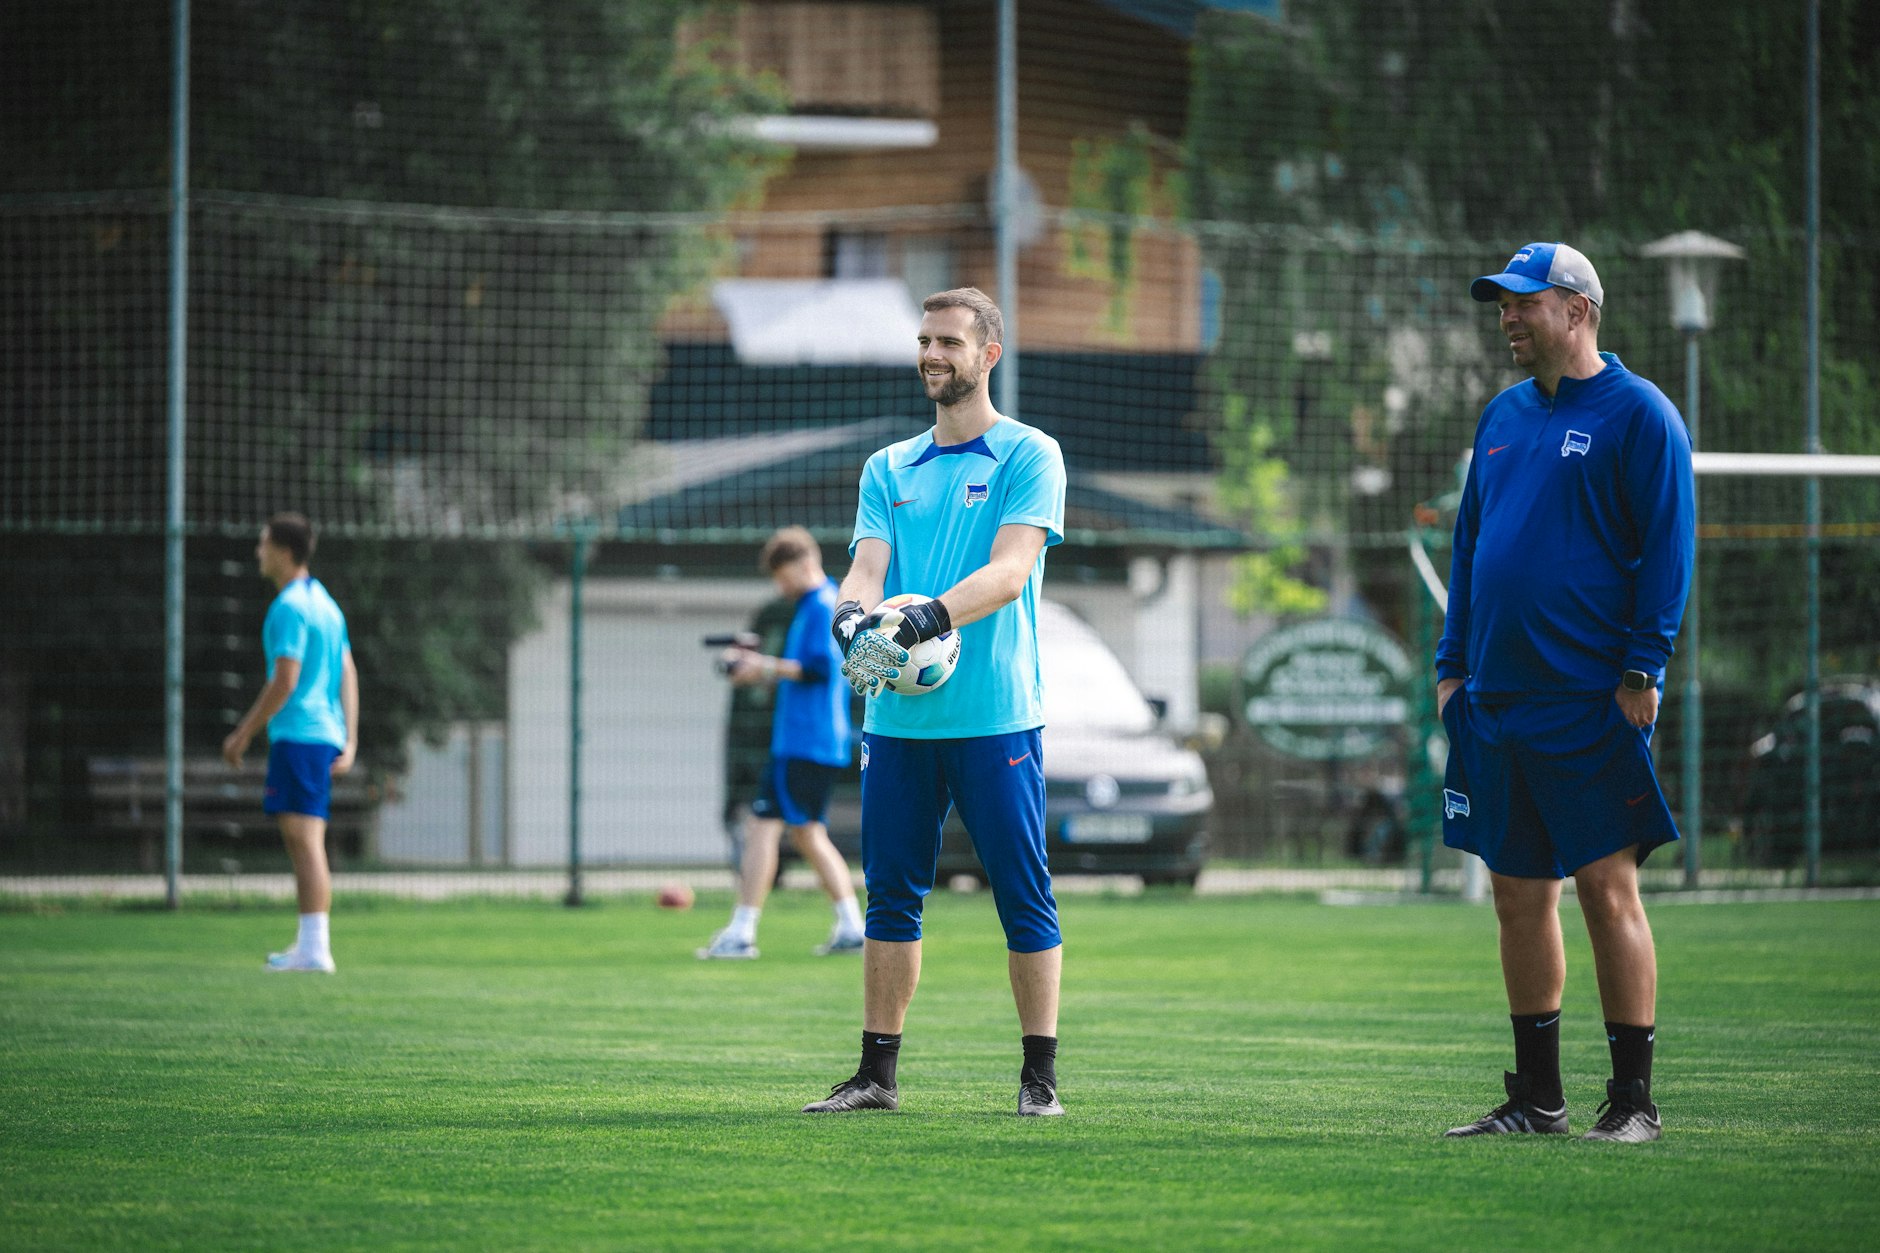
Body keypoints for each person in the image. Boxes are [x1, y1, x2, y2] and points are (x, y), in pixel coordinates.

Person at [1437, 243, 1694, 1143]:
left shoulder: (1640, 415)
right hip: (1496, 698)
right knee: (1516, 895)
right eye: (1500, 305)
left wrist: (1642, 671)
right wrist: (1450, 667)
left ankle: (1633, 1103)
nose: (1505, 316)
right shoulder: (1501, 416)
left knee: (1604, 888)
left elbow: (1667, 551)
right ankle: (1536, 1100)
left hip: (1591, 698)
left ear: (1577, 310)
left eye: (1521, 303)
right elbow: (1471, 549)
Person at [801, 286, 1067, 1118]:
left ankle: (1039, 1080)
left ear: (988, 355)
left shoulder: (1030, 454)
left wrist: (931, 615)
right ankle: (876, 1075)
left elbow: (1011, 569)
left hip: (997, 717)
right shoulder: (887, 467)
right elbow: (865, 572)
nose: (931, 355)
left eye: (948, 341)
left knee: (1023, 894)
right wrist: (850, 616)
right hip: (899, 721)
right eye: (923, 340)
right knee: (890, 895)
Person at [698, 527, 866, 960]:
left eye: (783, 574)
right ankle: (850, 926)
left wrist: (762, 667)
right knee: (806, 834)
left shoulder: (823, 606)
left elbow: (818, 669)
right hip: (804, 741)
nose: (780, 585)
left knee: (769, 829)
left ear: (805, 563)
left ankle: (743, 932)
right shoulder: (812, 605)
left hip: (806, 742)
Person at [222, 512, 359, 974]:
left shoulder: (290, 607)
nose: (258, 552)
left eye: (262, 544)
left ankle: (316, 948)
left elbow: (285, 679)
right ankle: (309, 945)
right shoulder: (326, 604)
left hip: (300, 734)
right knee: (306, 839)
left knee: (304, 840)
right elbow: (348, 671)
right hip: (322, 734)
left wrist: (242, 734)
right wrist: (351, 737)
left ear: (283, 550)